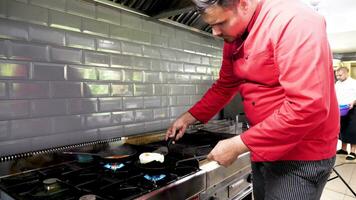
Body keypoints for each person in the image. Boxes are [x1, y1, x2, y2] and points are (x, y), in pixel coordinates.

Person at [165, 0, 339, 199]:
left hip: (300, 153)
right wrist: (188, 117)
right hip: (264, 143)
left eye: (221, 23)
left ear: (244, 4)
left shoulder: (294, 21)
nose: (215, 32)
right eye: (211, 25)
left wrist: (239, 144)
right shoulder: (235, 36)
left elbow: (308, 106)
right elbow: (225, 85)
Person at [335, 67, 356, 160]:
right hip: (340, 109)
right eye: (337, 76)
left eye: (340, 75)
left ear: (346, 73)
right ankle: (343, 149)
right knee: (342, 129)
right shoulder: (337, 83)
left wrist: (353, 102)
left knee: (352, 130)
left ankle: (353, 151)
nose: (338, 77)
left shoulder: (353, 82)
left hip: (352, 108)